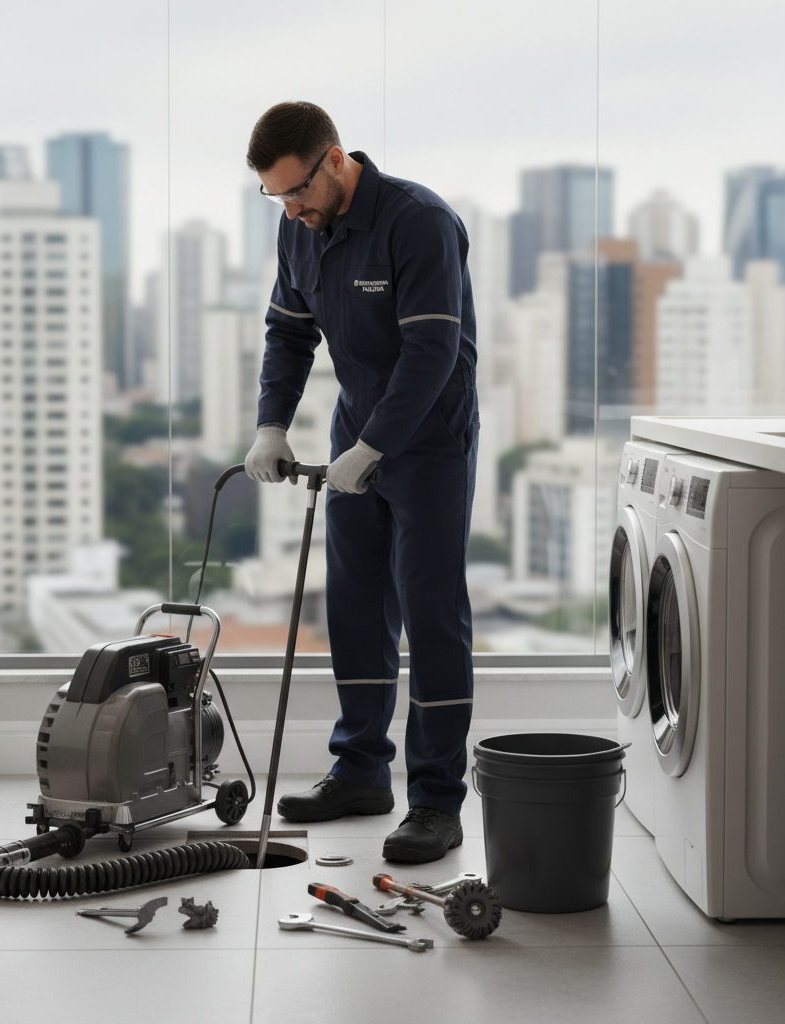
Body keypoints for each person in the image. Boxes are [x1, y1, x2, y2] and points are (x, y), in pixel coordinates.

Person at [244, 101, 478, 864]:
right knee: (353, 606)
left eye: (297, 191)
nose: (291, 208)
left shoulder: (418, 222)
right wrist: (271, 425)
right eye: (276, 196)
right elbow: (289, 330)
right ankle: (362, 771)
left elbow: (433, 352)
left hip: (429, 440)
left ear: (335, 159)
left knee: (430, 613)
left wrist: (378, 444)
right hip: (356, 434)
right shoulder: (299, 229)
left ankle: (437, 802)